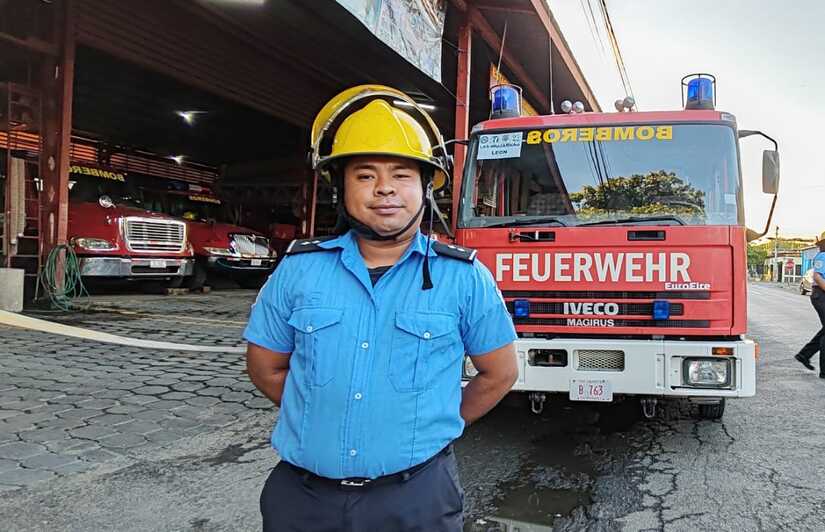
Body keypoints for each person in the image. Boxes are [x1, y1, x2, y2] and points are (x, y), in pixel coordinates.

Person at [244, 85, 518, 532]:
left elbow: (500, 372)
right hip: (303, 500)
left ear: (426, 189)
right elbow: (266, 368)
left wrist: (434, 423)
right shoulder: (298, 270)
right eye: (365, 175)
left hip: (418, 499)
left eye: (403, 175)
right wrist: (319, 411)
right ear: (341, 188)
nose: (385, 188)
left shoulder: (464, 277)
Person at [794, 232, 825, 377]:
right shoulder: (822, 256)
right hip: (820, 295)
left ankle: (804, 354)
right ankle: (822, 369)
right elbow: (817, 276)